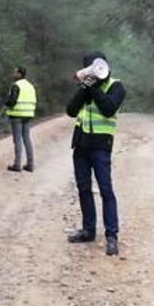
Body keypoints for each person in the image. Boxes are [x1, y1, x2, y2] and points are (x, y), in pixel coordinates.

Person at [65, 51, 126, 256]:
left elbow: (109, 108)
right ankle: (88, 230)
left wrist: (94, 89)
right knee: (83, 189)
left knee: (105, 190)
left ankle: (111, 236)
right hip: (81, 144)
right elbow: (71, 110)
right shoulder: (86, 87)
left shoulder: (116, 86)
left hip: (101, 145)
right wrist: (84, 88)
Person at [5, 66, 36, 172]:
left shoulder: (16, 85)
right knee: (27, 138)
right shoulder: (30, 86)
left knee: (17, 139)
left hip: (17, 115)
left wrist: (6, 102)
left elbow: (12, 101)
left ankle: (17, 164)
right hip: (28, 115)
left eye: (15, 72)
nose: (13, 74)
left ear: (19, 74)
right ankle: (30, 164)